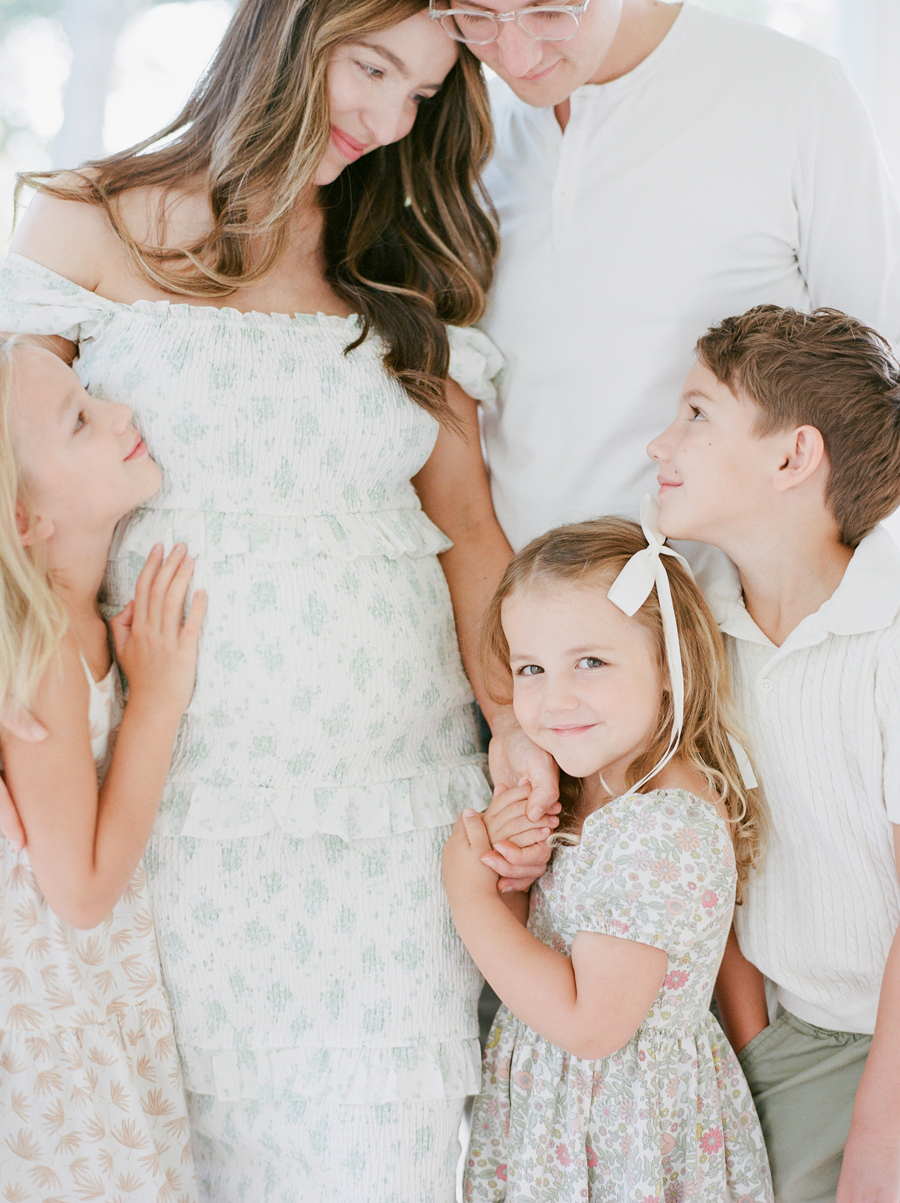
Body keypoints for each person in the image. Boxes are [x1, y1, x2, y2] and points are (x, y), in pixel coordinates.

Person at [0, 2, 546, 1197]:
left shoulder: (404, 255)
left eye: (419, 92)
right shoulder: (86, 222)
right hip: (180, 827)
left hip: (391, 832)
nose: (390, 117)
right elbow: (14, 493)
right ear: (287, 34)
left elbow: (466, 530)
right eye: (371, 66)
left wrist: (514, 718)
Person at [427, 0, 900, 551]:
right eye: (476, 15)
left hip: (741, 621)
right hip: (532, 622)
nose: (512, 55)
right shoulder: (465, 137)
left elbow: (880, 401)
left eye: (550, 11)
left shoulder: (794, 94)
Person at [442, 506, 772, 1202]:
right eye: (530, 667)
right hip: (564, 1126)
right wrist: (515, 872)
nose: (554, 698)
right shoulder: (595, 789)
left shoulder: (660, 828)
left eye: (590, 661)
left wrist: (471, 899)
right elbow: (549, 948)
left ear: (667, 662)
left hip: (618, 1143)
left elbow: (591, 1022)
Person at [648, 305, 900, 1202]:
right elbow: (717, 860)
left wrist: (880, 1127)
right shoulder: (699, 634)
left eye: (697, 414)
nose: (657, 443)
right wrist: (755, 1047)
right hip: (794, 1037)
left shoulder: (886, 636)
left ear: (793, 457)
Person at [0, 337, 204, 1202]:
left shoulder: (62, 628)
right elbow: (80, 892)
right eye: (80, 419)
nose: (122, 412)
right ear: (25, 520)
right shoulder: (42, 648)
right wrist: (156, 700)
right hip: (53, 1039)